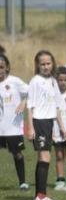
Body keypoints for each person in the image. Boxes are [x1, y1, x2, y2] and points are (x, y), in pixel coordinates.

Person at [26, 50, 65, 200]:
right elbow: (30, 106)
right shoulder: (35, 81)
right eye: (42, 64)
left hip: (49, 123)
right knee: (45, 157)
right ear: (38, 65)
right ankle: (41, 196)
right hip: (39, 122)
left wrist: (61, 127)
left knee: (44, 157)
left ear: (53, 63)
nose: (46, 66)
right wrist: (30, 127)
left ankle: (39, 195)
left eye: (48, 63)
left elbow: (56, 106)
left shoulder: (53, 81)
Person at [0, 53, 29, 190]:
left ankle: (22, 182)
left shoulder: (15, 81)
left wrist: (23, 101)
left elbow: (31, 91)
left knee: (17, 154)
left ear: (6, 68)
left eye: (1, 67)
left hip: (13, 127)